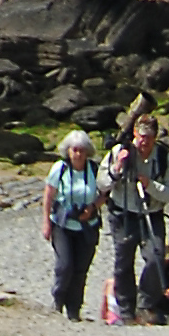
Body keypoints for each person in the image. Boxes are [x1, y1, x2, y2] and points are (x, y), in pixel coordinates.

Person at [104, 108, 169, 323]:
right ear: (134, 136)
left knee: (156, 256)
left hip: (152, 213)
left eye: (148, 138)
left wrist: (151, 186)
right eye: (140, 137)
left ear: (155, 138)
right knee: (123, 262)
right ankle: (126, 310)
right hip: (123, 213)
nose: (143, 143)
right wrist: (117, 166)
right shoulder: (120, 151)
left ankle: (145, 304)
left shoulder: (163, 158)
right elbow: (102, 183)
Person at [44, 130, 104, 320]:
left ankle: (74, 309)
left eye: (81, 150)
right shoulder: (59, 168)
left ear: (87, 152)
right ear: (68, 151)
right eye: (74, 150)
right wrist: (45, 222)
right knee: (65, 265)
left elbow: (105, 193)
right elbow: (48, 195)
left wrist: (93, 207)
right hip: (62, 224)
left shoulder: (95, 170)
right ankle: (58, 302)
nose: (78, 154)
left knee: (80, 269)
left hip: (88, 226)